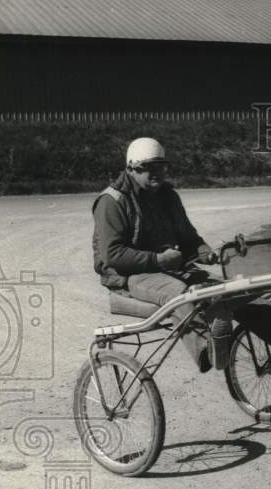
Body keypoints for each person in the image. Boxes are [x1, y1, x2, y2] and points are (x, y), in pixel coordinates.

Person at [91, 137, 225, 372]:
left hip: (169, 269)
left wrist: (205, 252)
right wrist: (157, 259)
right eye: (150, 168)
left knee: (227, 289)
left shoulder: (168, 196)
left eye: (161, 167)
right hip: (128, 275)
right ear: (132, 168)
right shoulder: (111, 201)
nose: (158, 174)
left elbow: (189, 239)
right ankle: (207, 351)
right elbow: (112, 255)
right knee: (180, 295)